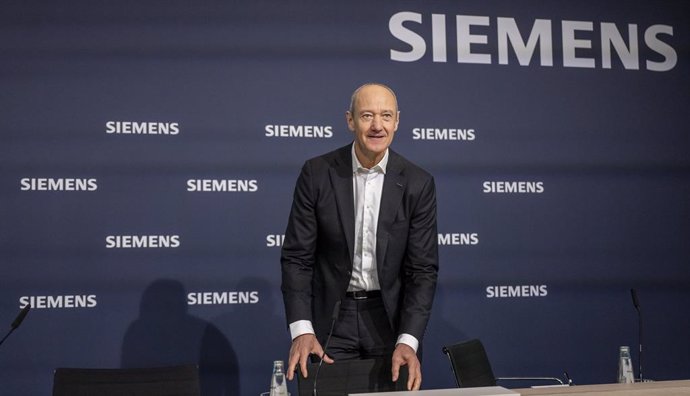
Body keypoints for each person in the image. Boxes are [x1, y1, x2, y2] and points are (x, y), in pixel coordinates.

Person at [281, 83, 438, 391]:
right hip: (331, 320)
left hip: (390, 322)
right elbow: (297, 257)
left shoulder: (419, 183)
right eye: (367, 115)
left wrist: (409, 340)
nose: (377, 126)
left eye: (386, 116)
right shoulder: (317, 173)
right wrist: (302, 330)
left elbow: (422, 270)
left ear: (397, 122)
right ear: (350, 121)